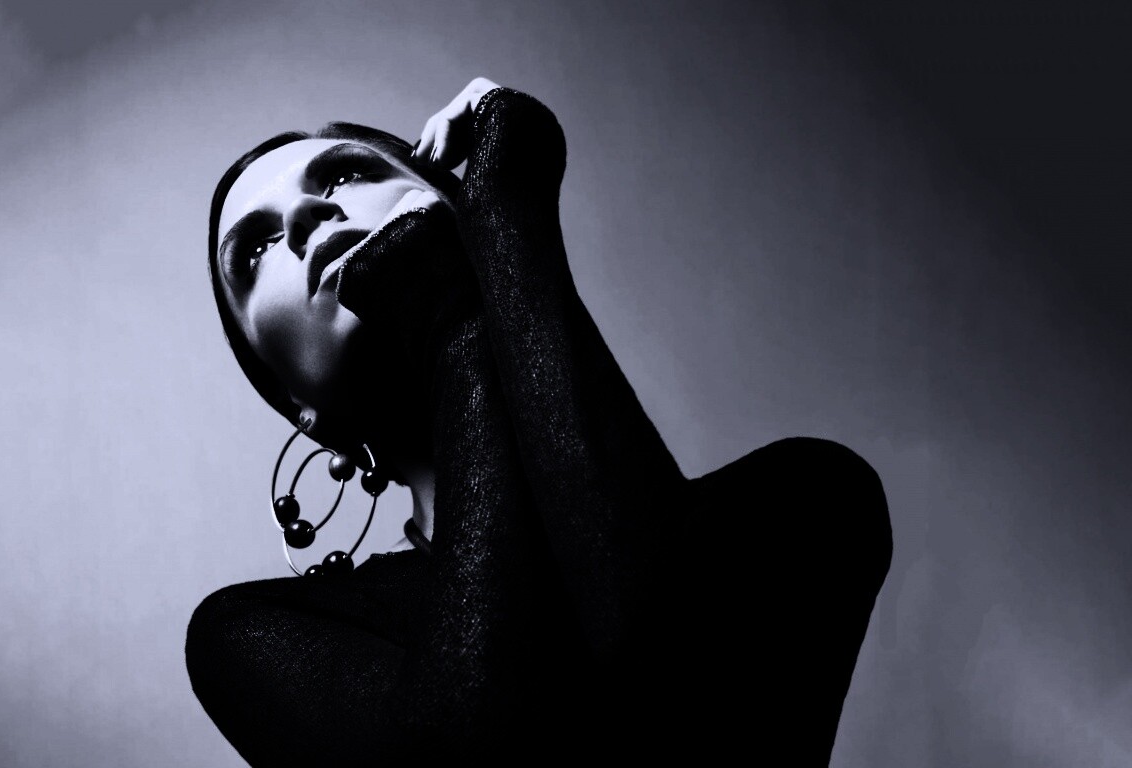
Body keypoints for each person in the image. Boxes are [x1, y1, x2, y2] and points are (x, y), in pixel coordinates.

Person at [187, 76, 893, 765]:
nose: (306, 216)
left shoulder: (803, 501)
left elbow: (670, 672)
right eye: (255, 250)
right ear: (299, 408)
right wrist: (453, 319)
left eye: (346, 176)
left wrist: (507, 210)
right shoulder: (259, 636)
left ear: (461, 208)